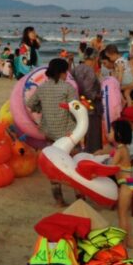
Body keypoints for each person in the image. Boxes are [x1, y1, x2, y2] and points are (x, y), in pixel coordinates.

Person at [25, 58, 75, 206]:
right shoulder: (68, 88)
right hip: (66, 133)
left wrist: (40, 109)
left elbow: (30, 104)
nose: (67, 74)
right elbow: (75, 109)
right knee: (73, 163)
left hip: (50, 132)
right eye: (66, 71)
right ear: (61, 73)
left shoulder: (42, 87)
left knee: (54, 163)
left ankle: (58, 199)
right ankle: (79, 197)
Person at [99, 120, 133, 245]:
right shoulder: (123, 148)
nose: (109, 133)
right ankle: (129, 240)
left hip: (125, 184)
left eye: (111, 131)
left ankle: (122, 243)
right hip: (129, 182)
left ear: (118, 134)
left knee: (121, 215)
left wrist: (95, 172)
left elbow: (110, 168)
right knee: (124, 214)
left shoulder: (120, 151)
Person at [73, 48, 102, 152]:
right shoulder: (90, 71)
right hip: (90, 107)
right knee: (92, 135)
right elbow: (88, 91)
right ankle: (91, 154)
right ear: (95, 58)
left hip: (78, 105)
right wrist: (99, 96)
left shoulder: (76, 68)